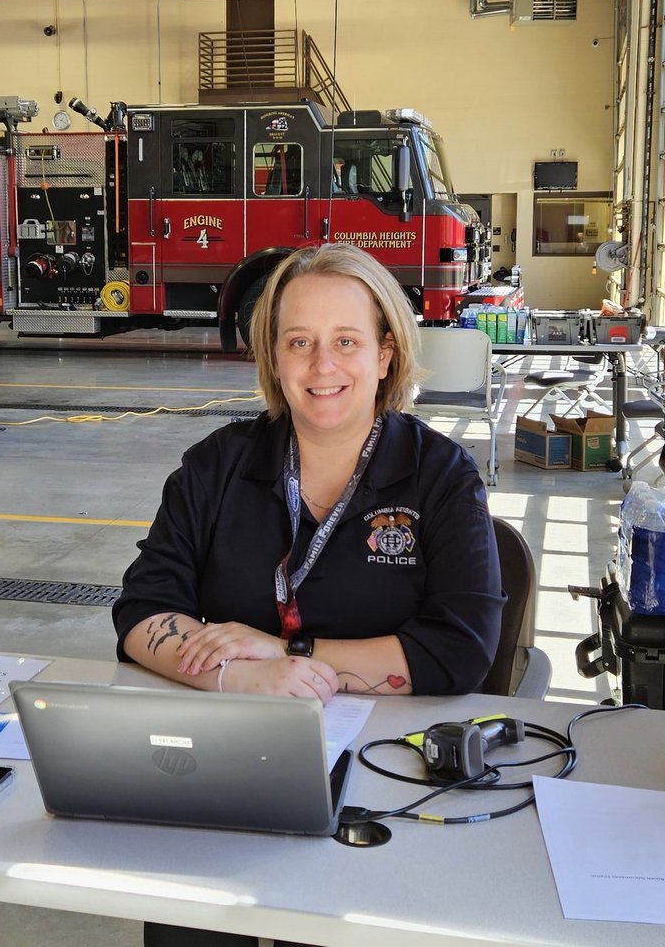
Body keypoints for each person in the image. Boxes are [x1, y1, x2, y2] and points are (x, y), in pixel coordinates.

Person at [112, 242, 504, 947]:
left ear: (386, 354)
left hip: (388, 773)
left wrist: (287, 651)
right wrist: (240, 675)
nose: (322, 367)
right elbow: (142, 610)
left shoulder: (440, 476)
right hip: (232, 761)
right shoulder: (218, 467)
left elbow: (462, 650)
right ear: (274, 359)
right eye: (300, 343)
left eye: (346, 341)